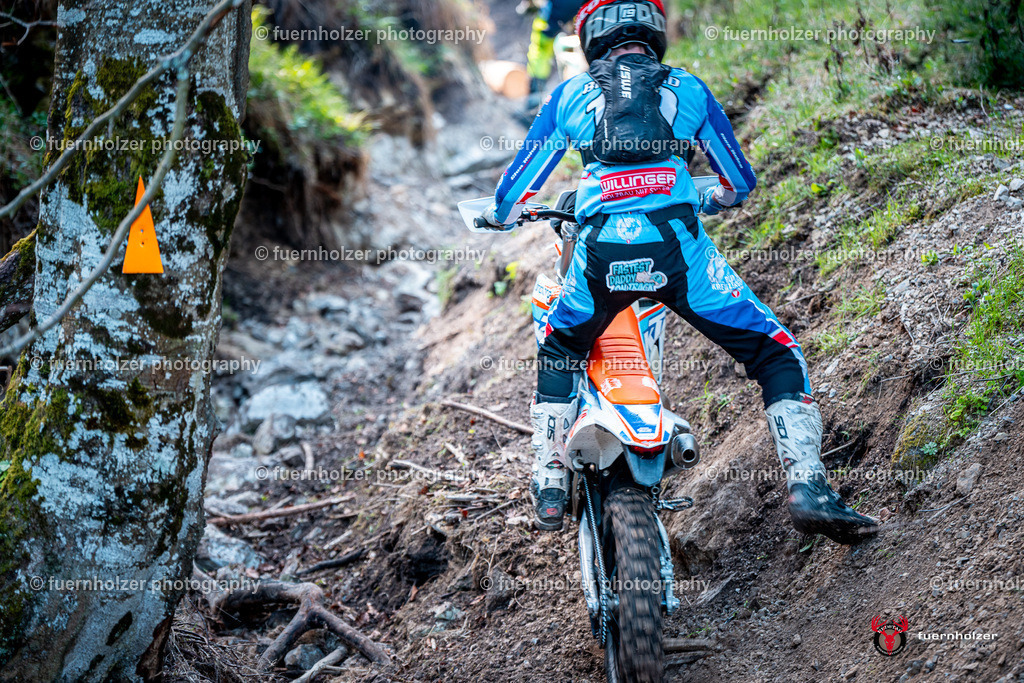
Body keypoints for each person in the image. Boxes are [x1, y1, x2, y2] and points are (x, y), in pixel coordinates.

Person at [480, 0, 879, 544]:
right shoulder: (688, 88)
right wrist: (709, 197)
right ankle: (808, 487)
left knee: (561, 346)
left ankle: (549, 480)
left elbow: (515, 189)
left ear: (590, 36)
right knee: (774, 350)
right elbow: (738, 179)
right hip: (680, 257)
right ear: (654, 31)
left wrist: (499, 215)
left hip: (597, 257)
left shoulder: (569, 94)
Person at [524, 0, 583, 112]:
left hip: (558, 5)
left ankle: (535, 99)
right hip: (588, 6)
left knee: (541, 44)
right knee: (578, 42)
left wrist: (529, 4)